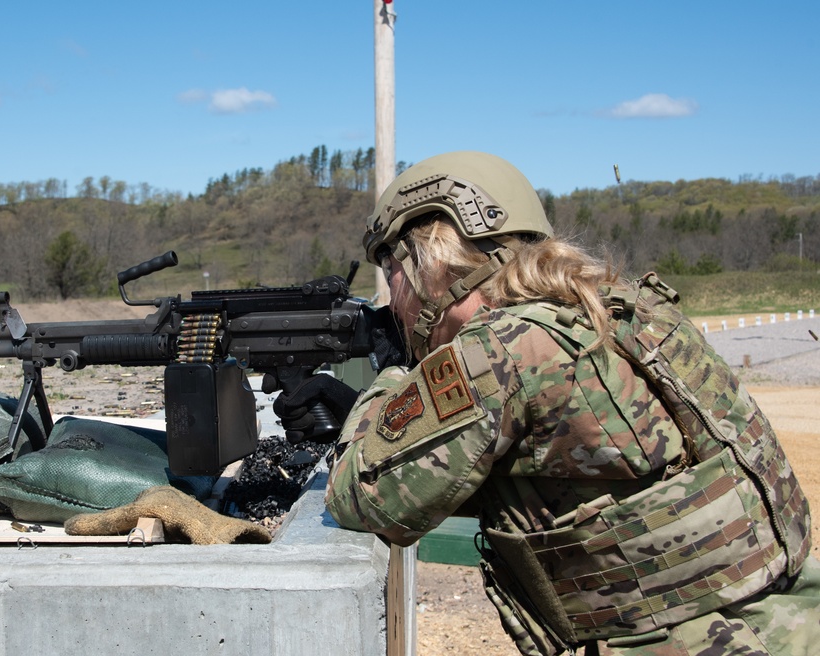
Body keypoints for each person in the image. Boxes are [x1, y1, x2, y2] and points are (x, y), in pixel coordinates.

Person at [273, 151, 818, 655]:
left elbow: (364, 498)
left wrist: (391, 382)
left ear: (431, 258)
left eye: (392, 268)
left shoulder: (500, 351)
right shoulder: (621, 307)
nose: (391, 296)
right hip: (783, 612)